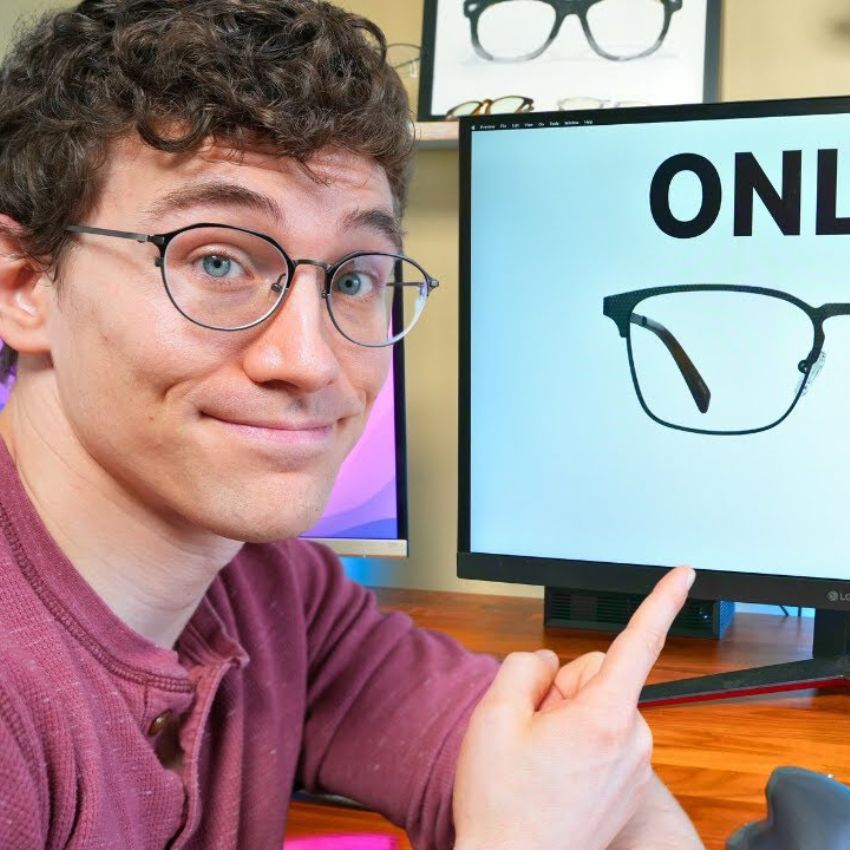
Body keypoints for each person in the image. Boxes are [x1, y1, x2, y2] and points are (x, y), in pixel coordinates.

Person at [0, 1, 704, 848]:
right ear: (24, 286)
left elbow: (585, 783)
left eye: (355, 279)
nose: (311, 360)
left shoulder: (274, 593)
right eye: (217, 260)